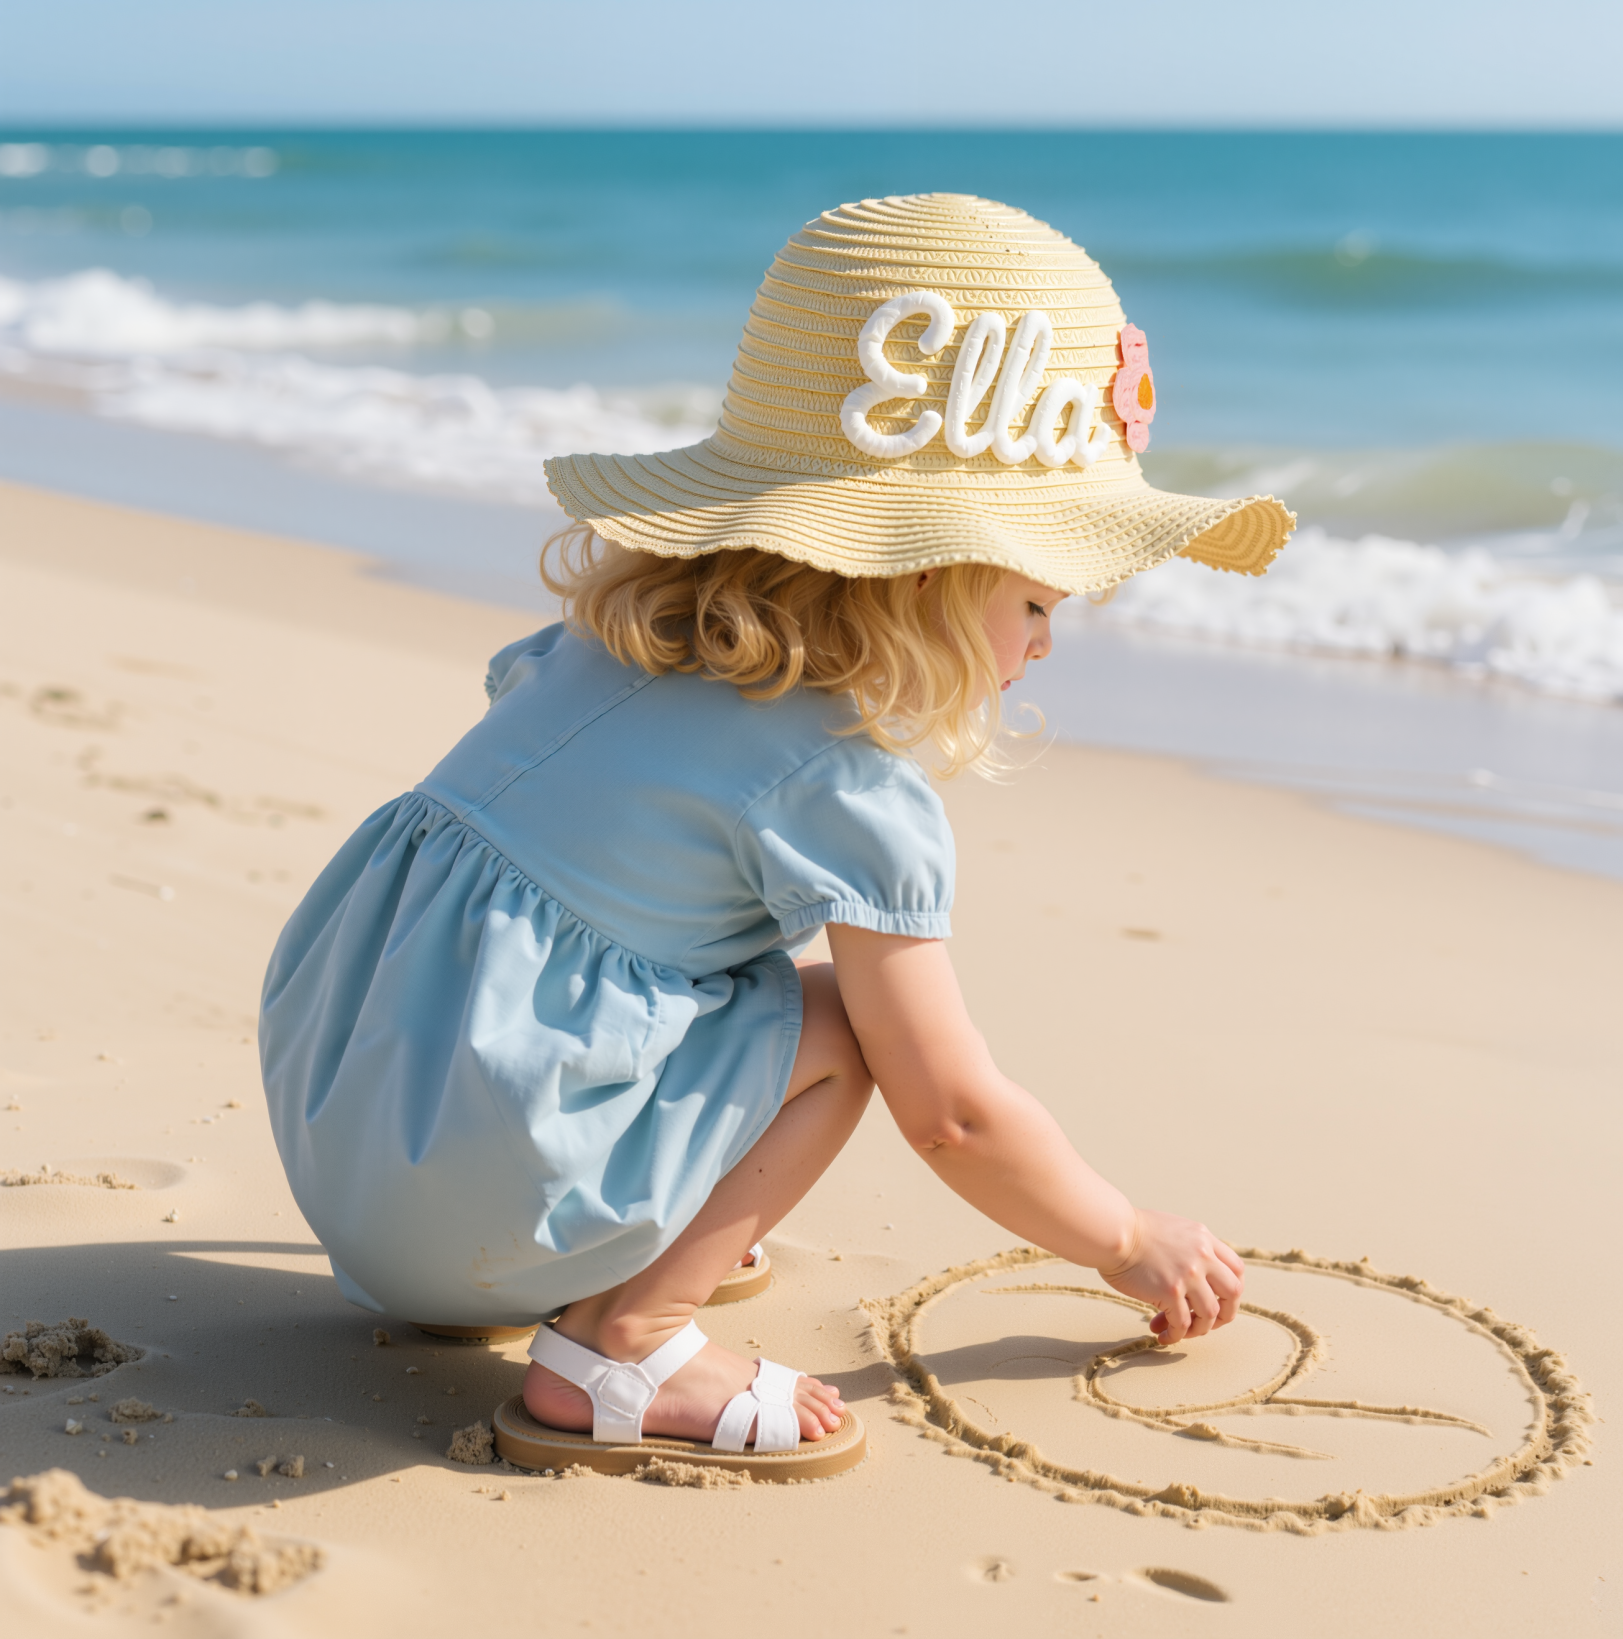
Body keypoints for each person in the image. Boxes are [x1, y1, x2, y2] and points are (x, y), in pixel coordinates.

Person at [259, 193, 1294, 1478]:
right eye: (1034, 599)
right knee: (837, 1023)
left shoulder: (602, 641)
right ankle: (626, 1339)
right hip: (481, 1193)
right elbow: (953, 1114)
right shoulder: (838, 783)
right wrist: (1129, 1239)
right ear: (924, 575)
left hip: (346, 1136)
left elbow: (544, 874)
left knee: (696, 958)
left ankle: (610, 1214)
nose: (1042, 643)